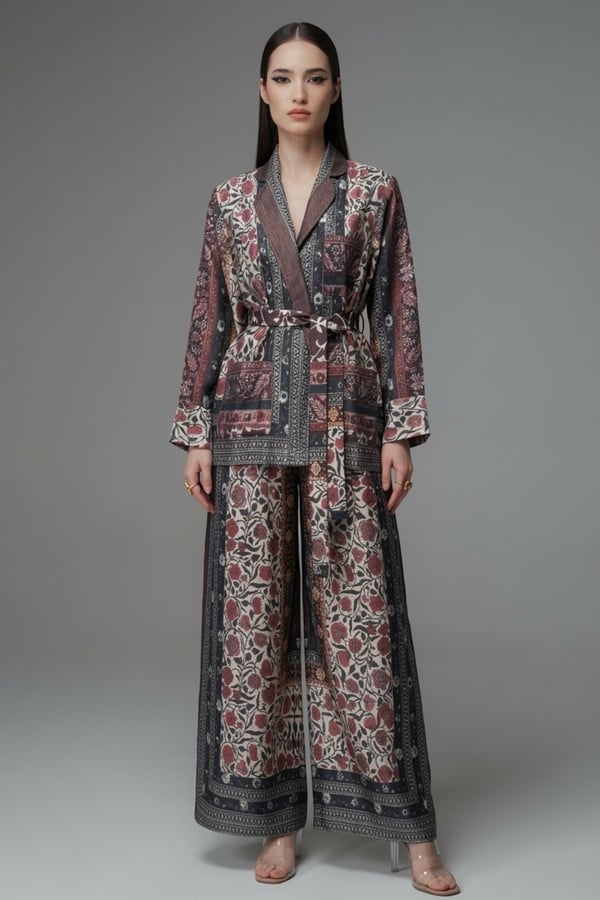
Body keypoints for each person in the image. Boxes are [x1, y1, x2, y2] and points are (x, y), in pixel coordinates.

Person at [170, 21, 460, 895]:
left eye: (316, 77)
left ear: (336, 90)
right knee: (257, 623)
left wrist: (401, 429)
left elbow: (397, 310)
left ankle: (409, 829)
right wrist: (196, 430)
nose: (299, 92)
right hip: (248, 417)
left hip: (344, 419)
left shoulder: (373, 191)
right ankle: (275, 820)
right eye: (283, 77)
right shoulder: (230, 201)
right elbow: (209, 317)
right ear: (262, 92)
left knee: (363, 621)